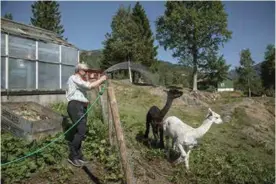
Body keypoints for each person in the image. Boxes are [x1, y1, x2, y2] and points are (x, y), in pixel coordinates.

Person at [66, 63, 107, 167]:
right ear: (78, 70)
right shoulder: (74, 77)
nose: (86, 72)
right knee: (81, 130)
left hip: (81, 106)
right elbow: (89, 86)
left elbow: (90, 84)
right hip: (75, 105)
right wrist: (102, 78)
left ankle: (78, 155)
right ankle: (72, 155)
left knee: (80, 131)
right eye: (84, 70)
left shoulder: (80, 81)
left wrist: (97, 81)